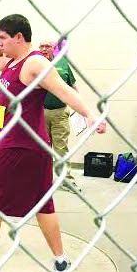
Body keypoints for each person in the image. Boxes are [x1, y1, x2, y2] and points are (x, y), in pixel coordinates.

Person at [0, 14, 106, 272]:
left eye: (3, 38)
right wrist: (8, 42)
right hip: (29, 145)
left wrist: (89, 114)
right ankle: (61, 261)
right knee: (44, 205)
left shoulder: (34, 63)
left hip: (18, 145)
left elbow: (64, 90)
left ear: (19, 37)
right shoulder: (12, 63)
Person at [39, 40, 81, 193]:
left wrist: (80, 108)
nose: (44, 49)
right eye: (41, 46)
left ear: (54, 48)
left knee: (61, 147)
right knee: (42, 148)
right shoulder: (34, 64)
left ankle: (66, 180)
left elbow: (74, 87)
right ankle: (41, 180)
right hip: (39, 113)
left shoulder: (63, 63)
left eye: (47, 46)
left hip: (60, 113)